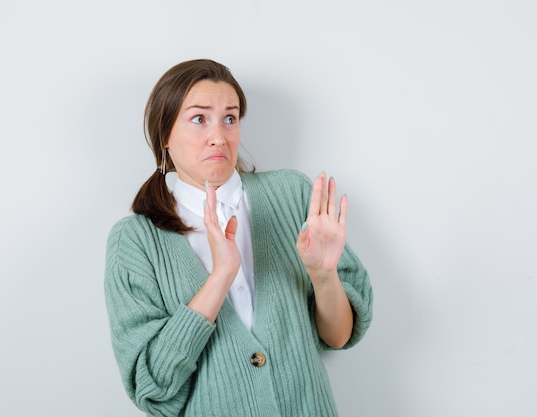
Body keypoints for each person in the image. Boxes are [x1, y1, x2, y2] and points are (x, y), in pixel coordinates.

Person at [104, 58, 373, 417]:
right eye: (199, 119)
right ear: (165, 134)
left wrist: (323, 276)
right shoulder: (135, 241)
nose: (219, 136)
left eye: (230, 118)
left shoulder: (292, 195)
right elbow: (152, 387)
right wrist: (219, 279)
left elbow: (338, 336)